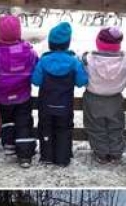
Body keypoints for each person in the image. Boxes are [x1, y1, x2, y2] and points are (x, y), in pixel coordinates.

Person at [0, 15, 39, 168]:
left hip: (4, 99)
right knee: (24, 123)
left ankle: (10, 149)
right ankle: (25, 156)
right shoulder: (30, 53)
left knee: (7, 123)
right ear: (19, 32)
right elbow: (36, 69)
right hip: (23, 96)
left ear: (0, 33)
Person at [32, 22, 88, 167]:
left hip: (45, 105)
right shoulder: (74, 62)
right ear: (67, 43)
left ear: (50, 43)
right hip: (65, 105)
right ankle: (63, 158)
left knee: (45, 128)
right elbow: (82, 81)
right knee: (64, 130)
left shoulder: (43, 61)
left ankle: (46, 156)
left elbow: (36, 81)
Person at [81, 27, 126, 164]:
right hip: (114, 98)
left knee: (95, 126)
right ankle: (116, 153)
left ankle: (101, 153)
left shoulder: (88, 59)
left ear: (98, 43)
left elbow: (80, 67)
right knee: (116, 125)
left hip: (93, 97)